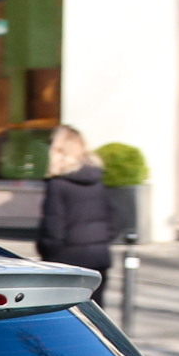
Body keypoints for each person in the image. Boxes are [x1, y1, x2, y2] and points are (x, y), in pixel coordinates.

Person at [39, 124, 115, 306]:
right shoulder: (97, 179)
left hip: (68, 261)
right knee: (96, 315)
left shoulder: (58, 184)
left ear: (58, 150)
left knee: (64, 317)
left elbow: (53, 229)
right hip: (99, 257)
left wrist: (46, 253)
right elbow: (113, 220)